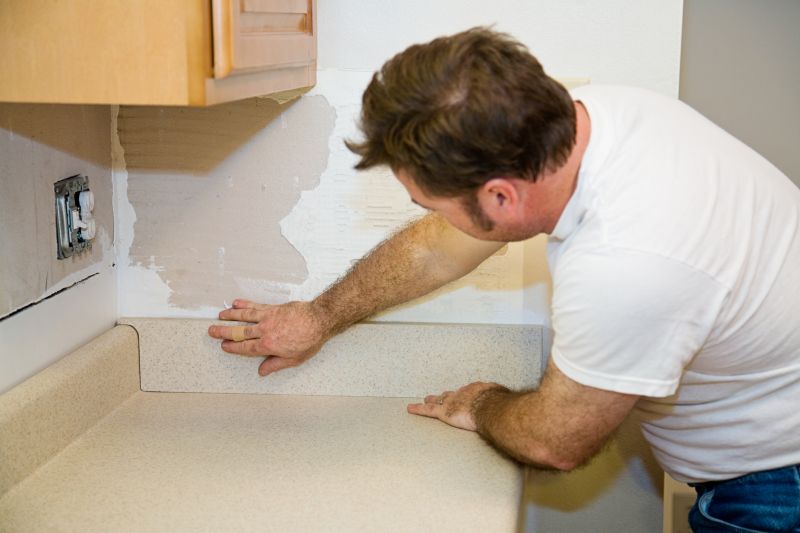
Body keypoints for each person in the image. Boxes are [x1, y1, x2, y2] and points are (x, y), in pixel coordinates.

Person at [208, 28, 800, 531]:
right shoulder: (593, 120)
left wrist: (484, 404)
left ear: (500, 194)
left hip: (778, 488)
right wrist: (319, 316)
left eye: (433, 204)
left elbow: (555, 441)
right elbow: (442, 247)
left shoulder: (627, 261)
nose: (433, 219)